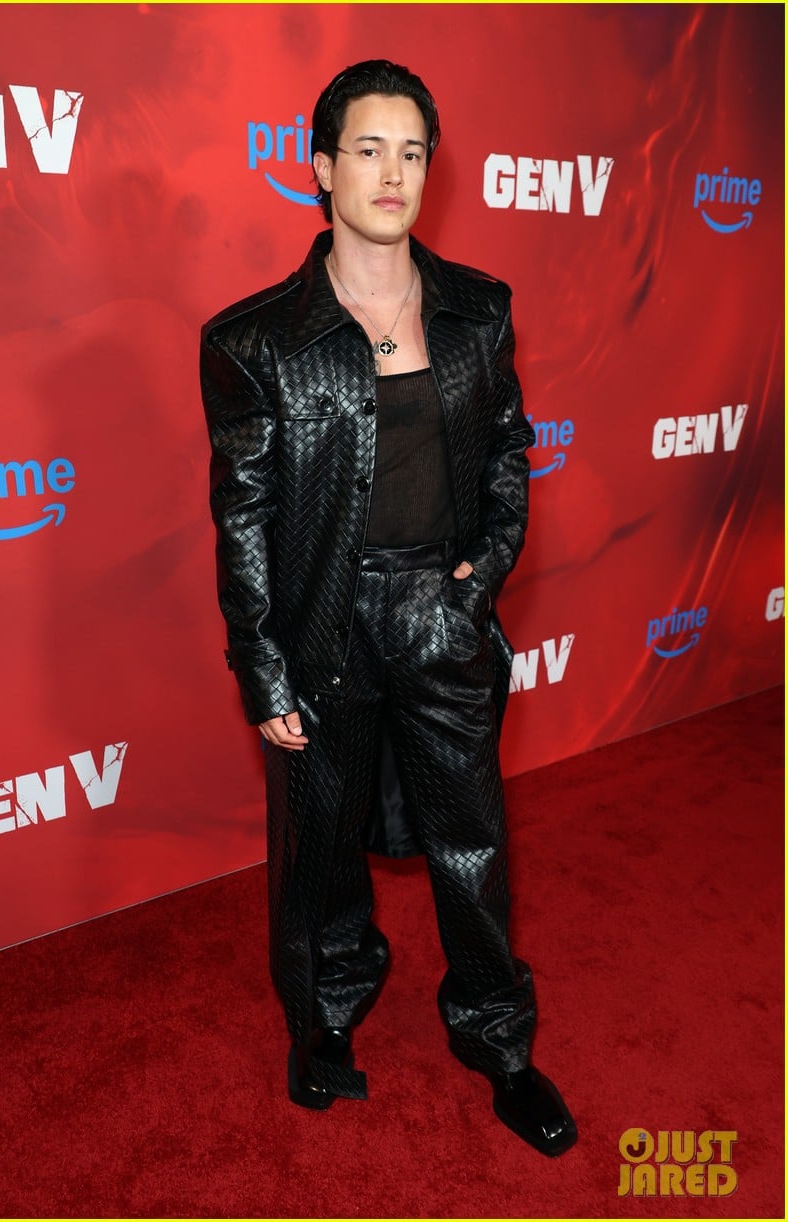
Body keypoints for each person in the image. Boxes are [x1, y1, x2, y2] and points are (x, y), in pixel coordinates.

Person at [200, 60, 576, 1157]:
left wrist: (482, 574)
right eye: (368, 150)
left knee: (472, 842)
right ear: (321, 169)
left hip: (439, 612)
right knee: (319, 846)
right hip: (320, 622)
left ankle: (499, 1040)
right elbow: (244, 516)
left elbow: (507, 455)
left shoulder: (477, 312)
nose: (392, 172)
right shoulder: (256, 341)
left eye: (412, 152)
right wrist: (263, 664)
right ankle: (325, 1018)